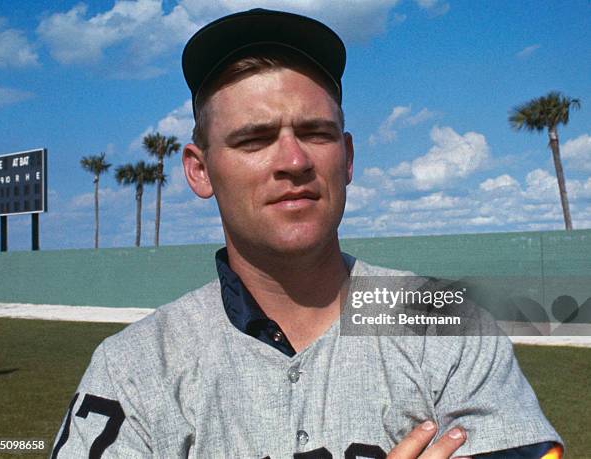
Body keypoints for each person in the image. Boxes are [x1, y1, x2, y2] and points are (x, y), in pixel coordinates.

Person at [51, 8, 563, 458]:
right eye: (255, 139)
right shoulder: (135, 368)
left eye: (316, 133)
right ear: (200, 171)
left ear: (349, 158)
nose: (294, 161)